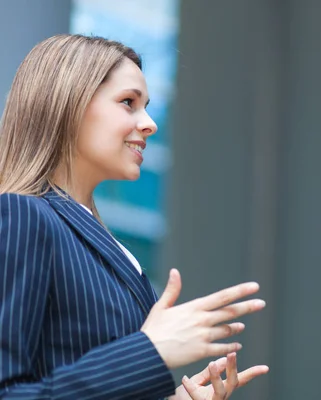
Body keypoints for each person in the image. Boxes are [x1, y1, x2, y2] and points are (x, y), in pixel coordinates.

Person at [0, 34, 268, 399]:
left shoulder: (100, 242)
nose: (149, 123)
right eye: (128, 102)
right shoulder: (20, 216)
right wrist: (151, 350)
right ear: (67, 103)